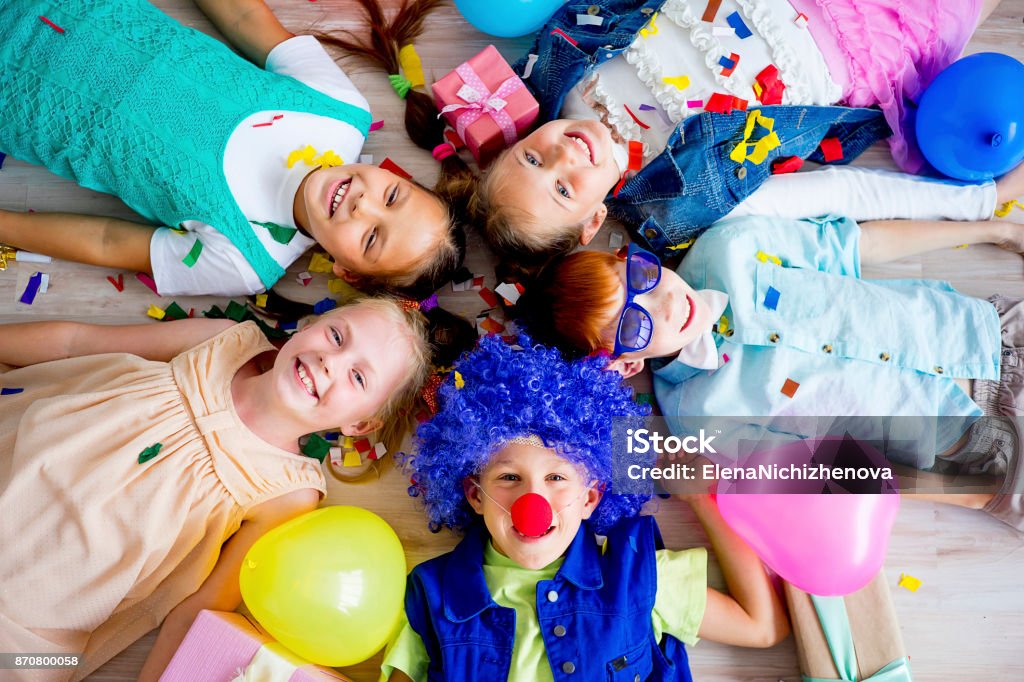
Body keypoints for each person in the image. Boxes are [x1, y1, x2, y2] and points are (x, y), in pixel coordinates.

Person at [0, 296, 460, 681]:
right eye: (336, 336)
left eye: (358, 377)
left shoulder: (290, 493)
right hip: (22, 458)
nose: (330, 360)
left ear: (359, 423)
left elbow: (199, 610)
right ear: (310, 326)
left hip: (44, 605)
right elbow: (78, 342)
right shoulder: (222, 340)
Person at [515, 212, 1024, 531]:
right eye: (633, 322)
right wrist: (979, 497)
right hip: (978, 438)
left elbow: (857, 247)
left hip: (989, 331)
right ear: (626, 364)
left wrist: (993, 229)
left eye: (642, 277)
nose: (666, 301)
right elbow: (845, 469)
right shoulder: (701, 419)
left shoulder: (729, 247)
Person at [408, 0, 1016, 266]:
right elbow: (842, 197)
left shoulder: (562, 66)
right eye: (564, 191)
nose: (561, 155)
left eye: (531, 159)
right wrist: (984, 206)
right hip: (860, 43)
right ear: (593, 222)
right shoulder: (682, 201)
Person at [380, 336, 790, 681]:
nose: (532, 502)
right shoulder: (433, 591)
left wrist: (703, 499)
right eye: (508, 478)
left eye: (556, 479)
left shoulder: (638, 575)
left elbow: (763, 625)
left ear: (590, 498)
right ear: (474, 494)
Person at [0, 0, 464, 298]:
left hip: (16, 103)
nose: (365, 205)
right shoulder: (341, 110)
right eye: (392, 197)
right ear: (396, 174)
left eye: (371, 239)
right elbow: (245, 19)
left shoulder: (246, 263)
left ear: (348, 273)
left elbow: (108, 241)